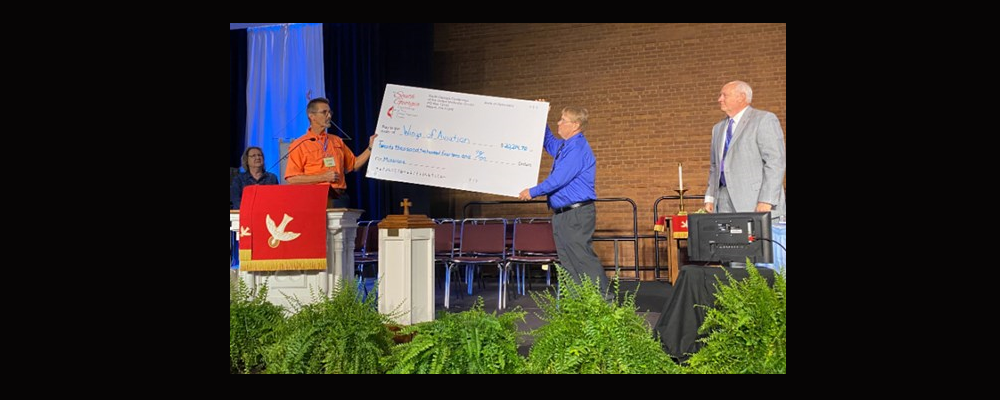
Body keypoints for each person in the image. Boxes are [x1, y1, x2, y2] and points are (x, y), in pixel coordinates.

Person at [519, 105, 609, 294]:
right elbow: (548, 141)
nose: (558, 123)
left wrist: (532, 192)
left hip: (576, 214)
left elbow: (558, 179)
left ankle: (603, 302)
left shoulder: (577, 148)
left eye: (563, 120)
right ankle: (578, 302)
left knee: (582, 258)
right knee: (568, 261)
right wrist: (541, 115)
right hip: (563, 214)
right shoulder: (565, 146)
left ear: (575, 125)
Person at [705, 80, 786, 220]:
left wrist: (767, 199)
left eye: (724, 95)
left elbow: (775, 162)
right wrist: (710, 197)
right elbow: (714, 166)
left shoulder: (763, 120)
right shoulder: (717, 129)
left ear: (741, 97)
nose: (720, 99)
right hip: (723, 201)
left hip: (755, 200)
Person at [285, 97, 378, 208]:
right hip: (314, 197)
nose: (329, 116)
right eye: (324, 112)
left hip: (339, 197)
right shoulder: (299, 144)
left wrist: (370, 148)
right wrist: (323, 177)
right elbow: (292, 179)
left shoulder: (336, 140)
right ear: (312, 116)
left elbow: (354, 165)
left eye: (330, 112)